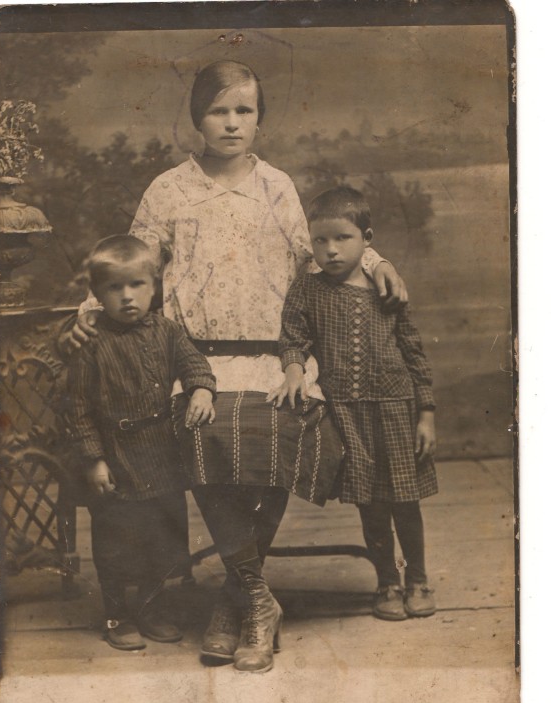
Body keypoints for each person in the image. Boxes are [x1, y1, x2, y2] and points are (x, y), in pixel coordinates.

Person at [61, 60, 408, 672]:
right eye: (217, 111)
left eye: (243, 110)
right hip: (195, 361)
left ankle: (236, 599)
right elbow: (134, 262)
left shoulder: (276, 186)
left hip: (276, 358)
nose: (230, 123)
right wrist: (88, 313)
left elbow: (314, 252)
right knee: (204, 439)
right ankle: (253, 596)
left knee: (280, 434)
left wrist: (377, 261)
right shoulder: (170, 189)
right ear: (197, 119)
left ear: (259, 119)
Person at [271, 186, 438, 622]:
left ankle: (418, 579)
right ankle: (387, 582)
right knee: (372, 505)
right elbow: (292, 338)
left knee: (406, 502)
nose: (330, 250)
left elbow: (413, 351)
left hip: (396, 409)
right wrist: (294, 370)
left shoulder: (386, 288)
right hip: (348, 413)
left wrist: (426, 414)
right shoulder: (307, 289)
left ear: (367, 239)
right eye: (320, 240)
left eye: (342, 238)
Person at [66, 235, 216, 651]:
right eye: (114, 287)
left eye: (137, 285)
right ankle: (116, 614)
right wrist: (95, 459)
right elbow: (77, 406)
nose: (127, 296)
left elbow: (195, 364)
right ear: (97, 294)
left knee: (161, 537)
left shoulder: (167, 331)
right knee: (116, 540)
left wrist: (202, 390)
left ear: (154, 287)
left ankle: (151, 608)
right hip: (114, 454)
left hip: (161, 452)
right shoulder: (91, 341)